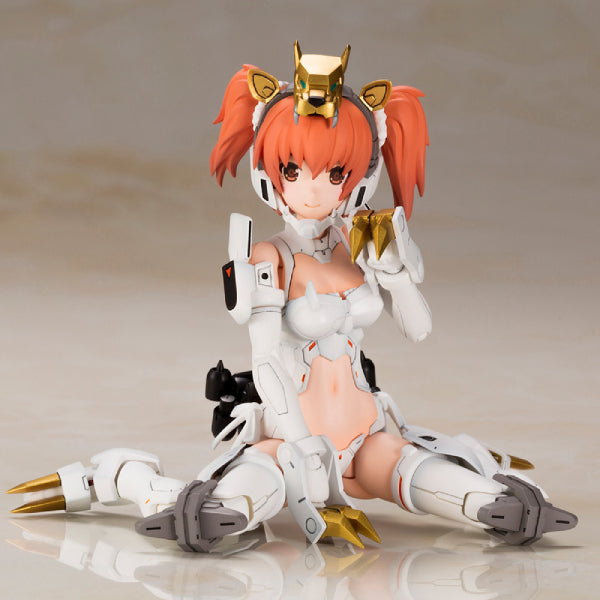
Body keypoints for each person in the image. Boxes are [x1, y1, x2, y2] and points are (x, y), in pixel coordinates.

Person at [8, 42, 577, 551]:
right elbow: (264, 363)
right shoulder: (269, 257)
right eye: (292, 169)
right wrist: (302, 447)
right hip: (289, 440)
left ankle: (497, 501)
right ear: (269, 172)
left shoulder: (362, 242)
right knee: (220, 513)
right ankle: (127, 476)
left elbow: (420, 329)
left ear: (359, 174)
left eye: (334, 173)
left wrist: (397, 274)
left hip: (368, 435)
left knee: (467, 495)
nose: (312, 189)